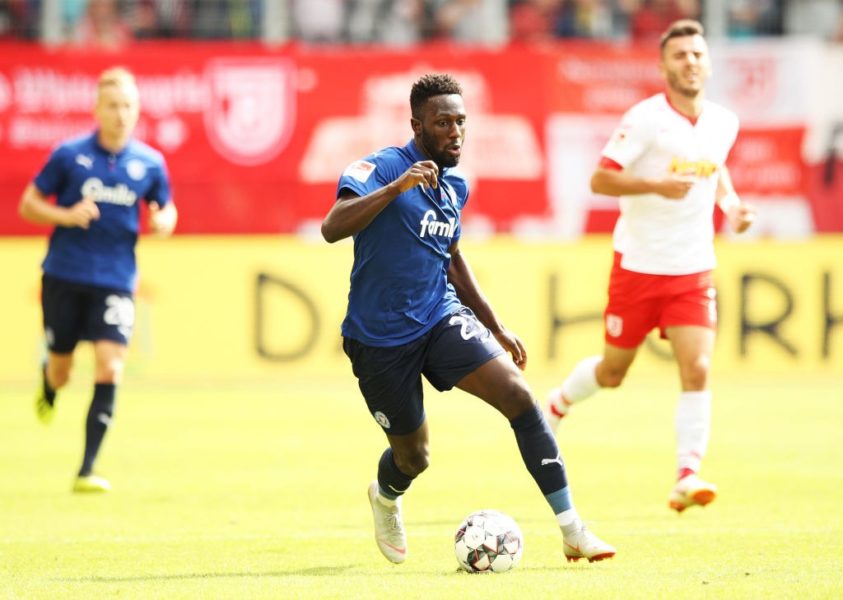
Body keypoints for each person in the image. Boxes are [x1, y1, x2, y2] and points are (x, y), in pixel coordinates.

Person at [322, 73, 615, 565]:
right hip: (379, 338)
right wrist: (396, 188)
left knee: (519, 396)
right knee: (414, 457)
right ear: (416, 125)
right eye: (442, 123)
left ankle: (573, 529)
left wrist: (495, 325)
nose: (455, 132)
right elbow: (332, 227)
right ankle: (386, 495)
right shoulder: (380, 168)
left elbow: (452, 258)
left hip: (438, 316)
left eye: (461, 121)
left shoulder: (455, 184)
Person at [544, 19, 755, 513]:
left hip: (692, 268)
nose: (690, 63)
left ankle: (687, 474)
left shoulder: (724, 121)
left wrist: (733, 207)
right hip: (638, 266)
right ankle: (556, 405)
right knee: (614, 371)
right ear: (662, 67)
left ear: (709, 62)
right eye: (680, 56)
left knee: (697, 368)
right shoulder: (644, 120)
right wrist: (655, 186)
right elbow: (600, 179)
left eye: (697, 55)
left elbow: (716, 166)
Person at [19, 67, 177, 493]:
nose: (121, 113)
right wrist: (66, 215)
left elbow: (166, 207)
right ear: (97, 109)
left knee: (111, 364)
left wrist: (164, 220)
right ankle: (48, 382)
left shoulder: (149, 162)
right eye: (113, 105)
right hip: (64, 275)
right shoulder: (69, 155)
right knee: (62, 370)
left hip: (116, 279)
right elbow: (28, 203)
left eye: (128, 105)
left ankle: (87, 469)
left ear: (137, 110)